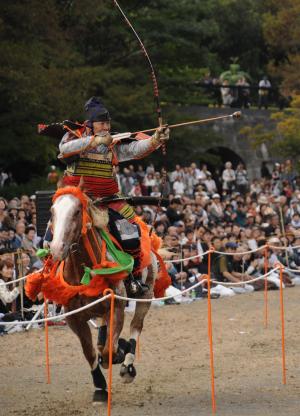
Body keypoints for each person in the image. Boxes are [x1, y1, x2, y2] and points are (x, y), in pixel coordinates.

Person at [47, 96, 170, 296]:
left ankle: (133, 279)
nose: (106, 127)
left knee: (132, 236)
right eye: (102, 123)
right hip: (77, 198)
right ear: (90, 124)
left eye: (107, 123)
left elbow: (134, 149)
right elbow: (64, 150)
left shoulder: (112, 144)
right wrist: (94, 140)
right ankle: (48, 275)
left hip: (108, 199)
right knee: (52, 236)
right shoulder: (73, 136)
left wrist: (155, 139)